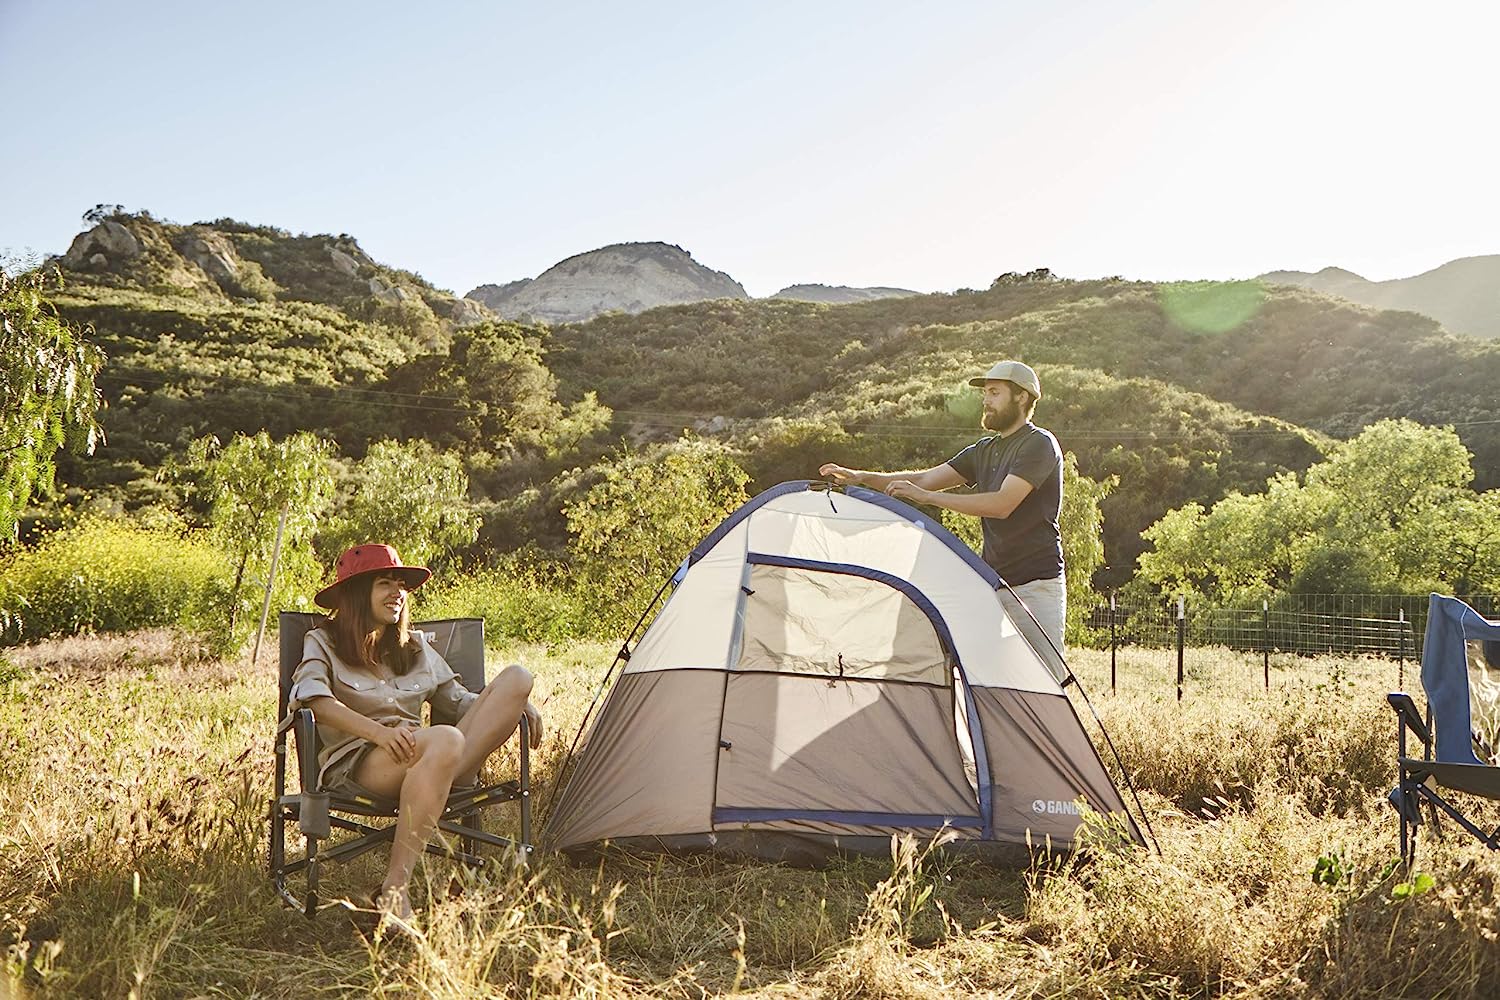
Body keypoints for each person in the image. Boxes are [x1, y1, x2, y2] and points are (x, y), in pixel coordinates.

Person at [287, 543, 543, 925]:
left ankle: (440, 775)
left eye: (401, 585)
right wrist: (378, 733)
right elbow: (313, 702)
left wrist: (516, 701)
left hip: (430, 758)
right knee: (446, 740)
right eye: (385, 583)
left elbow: (458, 701)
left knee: (517, 677)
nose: (398, 592)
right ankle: (394, 890)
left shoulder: (415, 646)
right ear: (357, 594)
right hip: (362, 764)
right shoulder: (324, 642)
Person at [819, 360, 1067, 651]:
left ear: (1021, 397)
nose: (986, 401)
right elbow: (924, 479)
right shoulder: (983, 451)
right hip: (992, 584)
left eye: (994, 393)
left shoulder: (1039, 444)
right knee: (986, 676)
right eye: (985, 393)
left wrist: (930, 499)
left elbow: (1002, 504)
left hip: (1036, 586)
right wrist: (862, 476)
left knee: (1047, 683)